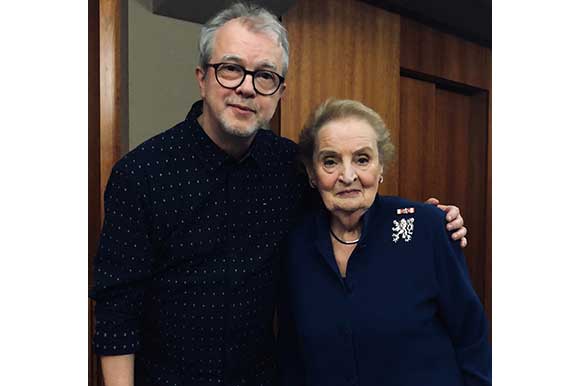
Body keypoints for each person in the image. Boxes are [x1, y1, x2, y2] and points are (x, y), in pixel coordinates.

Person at [90, 3, 468, 386]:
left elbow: (348, 199)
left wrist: (428, 221)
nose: (247, 87)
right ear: (202, 77)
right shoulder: (141, 173)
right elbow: (116, 310)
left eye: (265, 75)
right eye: (231, 69)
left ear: (280, 92)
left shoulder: (289, 166)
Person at [277, 98, 491, 386]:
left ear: (380, 169)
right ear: (313, 174)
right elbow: (293, 357)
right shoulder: (296, 246)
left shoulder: (426, 227)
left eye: (362, 159)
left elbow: (472, 337)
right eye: (330, 161)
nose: (348, 175)